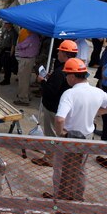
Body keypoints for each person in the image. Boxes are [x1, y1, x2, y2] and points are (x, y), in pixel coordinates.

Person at [44, 58, 107, 200]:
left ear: (72, 76)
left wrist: (60, 133)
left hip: (69, 137)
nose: (66, 77)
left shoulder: (69, 94)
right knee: (80, 169)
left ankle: (59, 197)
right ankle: (78, 197)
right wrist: (97, 112)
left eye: (67, 74)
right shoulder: (97, 92)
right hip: (87, 136)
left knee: (60, 168)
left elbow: (60, 118)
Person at [31, 39, 78, 167]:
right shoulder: (73, 67)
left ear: (65, 53)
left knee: (51, 135)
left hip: (53, 107)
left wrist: (42, 81)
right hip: (61, 107)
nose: (57, 54)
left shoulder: (61, 71)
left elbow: (51, 91)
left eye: (60, 52)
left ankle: (49, 158)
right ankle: (53, 155)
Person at [14, 28, 41, 106]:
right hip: (29, 59)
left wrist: (18, 44)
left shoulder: (32, 36)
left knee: (23, 79)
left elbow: (21, 45)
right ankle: (26, 94)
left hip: (26, 59)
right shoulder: (35, 36)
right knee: (26, 78)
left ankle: (23, 98)